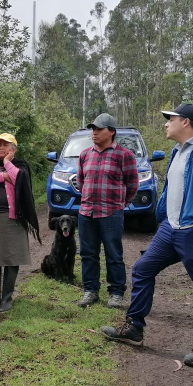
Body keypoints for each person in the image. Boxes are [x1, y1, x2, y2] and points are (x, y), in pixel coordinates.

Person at [101, 104, 193, 367]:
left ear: (185, 122)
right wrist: (162, 216)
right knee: (142, 269)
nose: (165, 124)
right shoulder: (178, 150)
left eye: (169, 119)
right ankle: (134, 328)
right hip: (171, 228)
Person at [76, 113, 139, 309]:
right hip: (86, 213)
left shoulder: (124, 155)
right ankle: (90, 290)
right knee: (88, 254)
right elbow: (80, 181)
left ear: (111, 132)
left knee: (113, 254)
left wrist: (119, 204)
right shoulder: (85, 154)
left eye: (99, 129)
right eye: (93, 129)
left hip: (111, 213)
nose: (94, 133)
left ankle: (116, 293)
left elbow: (133, 185)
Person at [0, 133, 41, 314]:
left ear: (13, 150)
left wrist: (7, 163)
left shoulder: (20, 166)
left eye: (5, 145)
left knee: (12, 258)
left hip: (13, 219)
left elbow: (18, 178)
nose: (1, 148)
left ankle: (7, 298)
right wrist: (1, 176)